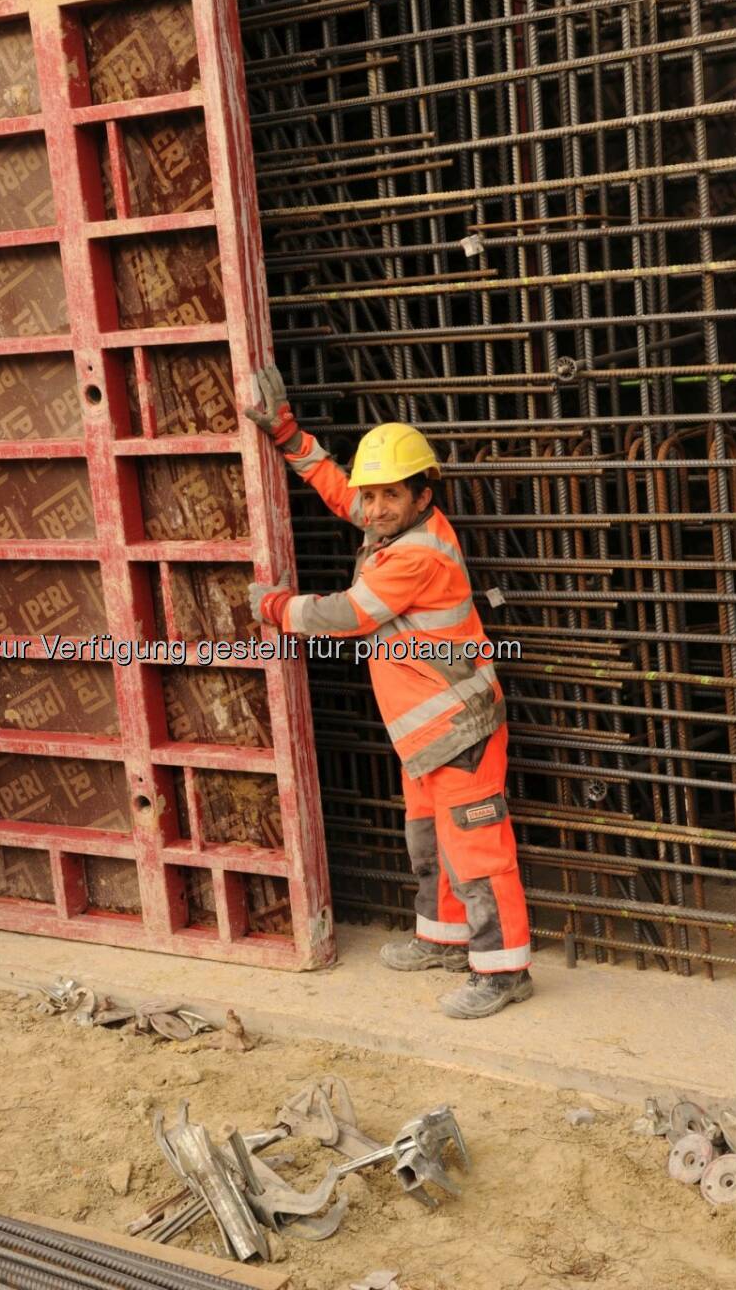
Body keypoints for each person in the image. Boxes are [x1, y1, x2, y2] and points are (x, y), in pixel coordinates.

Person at [245, 365, 532, 1019]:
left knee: (479, 851)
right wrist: (289, 437)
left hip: (461, 729)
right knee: (430, 841)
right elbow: (338, 490)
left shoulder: (417, 553)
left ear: (422, 492)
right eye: (369, 496)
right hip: (426, 735)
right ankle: (442, 937)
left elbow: (347, 616)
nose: (370, 509)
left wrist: (276, 608)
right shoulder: (390, 526)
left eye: (386, 496)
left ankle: (504, 970)